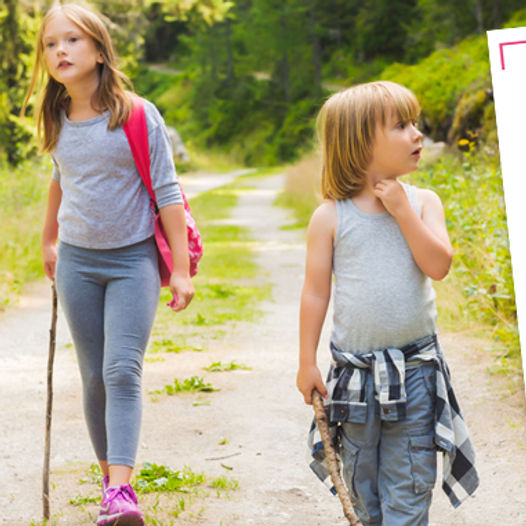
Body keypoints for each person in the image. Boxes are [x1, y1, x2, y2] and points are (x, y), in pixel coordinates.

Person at [23, 3, 194, 525]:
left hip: (132, 261)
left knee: (122, 370)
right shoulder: (54, 116)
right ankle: (110, 486)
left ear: (99, 49)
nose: (61, 51)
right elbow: (61, 177)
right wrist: (49, 239)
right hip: (77, 262)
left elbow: (167, 194)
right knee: (94, 377)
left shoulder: (137, 114)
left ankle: (123, 492)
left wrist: (182, 270)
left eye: (72, 40)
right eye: (52, 44)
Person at [297, 81, 478, 526]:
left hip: (416, 371)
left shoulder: (423, 202)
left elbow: (439, 265)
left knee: (412, 478)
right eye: (402, 125)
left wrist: (402, 212)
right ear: (360, 144)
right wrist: (306, 362)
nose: (417, 133)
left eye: (415, 122)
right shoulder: (330, 216)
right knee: (361, 481)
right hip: (355, 379)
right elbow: (315, 291)